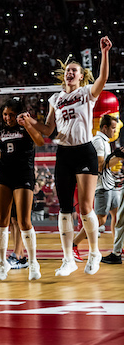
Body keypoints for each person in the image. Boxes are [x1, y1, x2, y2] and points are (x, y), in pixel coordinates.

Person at [23, 36, 112, 276]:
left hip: (84, 152)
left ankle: (94, 252)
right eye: (68, 71)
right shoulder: (55, 99)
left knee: (85, 207)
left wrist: (103, 53)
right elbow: (49, 130)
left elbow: (103, 78)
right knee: (64, 209)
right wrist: (30, 122)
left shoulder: (86, 93)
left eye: (75, 70)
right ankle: (67, 258)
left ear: (81, 76)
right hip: (63, 154)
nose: (70, 73)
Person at [0, 98, 44, 281]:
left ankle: (33, 263)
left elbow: (40, 141)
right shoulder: (0, 130)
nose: (8, 118)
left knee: (24, 222)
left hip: (23, 175)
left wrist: (27, 124)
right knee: (1, 222)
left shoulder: (25, 128)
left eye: (11, 115)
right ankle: (2, 263)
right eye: (5, 114)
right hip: (4, 175)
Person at [72, 114, 119, 262]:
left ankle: (118, 248)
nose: (114, 131)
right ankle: (73, 244)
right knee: (99, 221)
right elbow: (99, 165)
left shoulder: (104, 141)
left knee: (118, 217)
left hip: (109, 185)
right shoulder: (99, 142)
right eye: (112, 128)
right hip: (102, 186)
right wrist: (118, 158)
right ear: (104, 128)